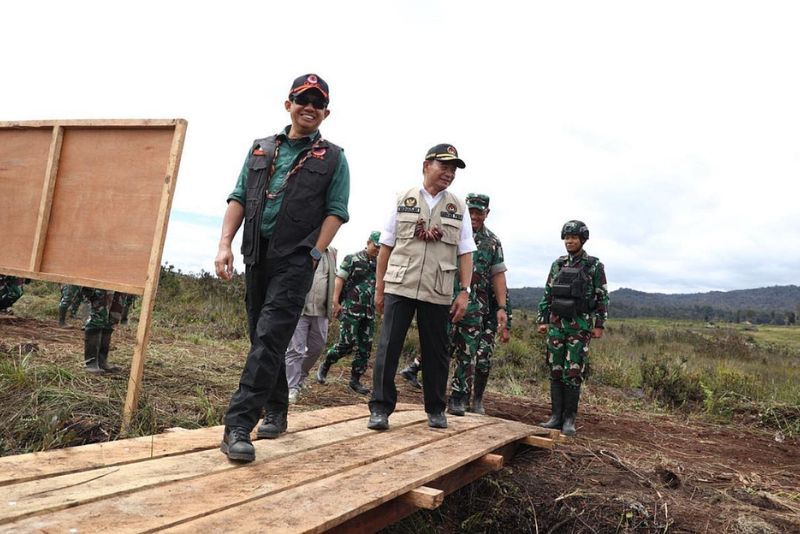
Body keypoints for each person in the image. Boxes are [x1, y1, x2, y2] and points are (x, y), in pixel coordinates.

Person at [214, 74, 349, 463]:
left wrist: (314, 253)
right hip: (257, 254)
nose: (309, 107)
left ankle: (238, 426)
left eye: (317, 103)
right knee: (261, 334)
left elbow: (336, 211)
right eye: (302, 99)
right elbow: (239, 196)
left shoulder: (334, 158)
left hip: (296, 260)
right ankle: (277, 409)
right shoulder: (261, 149)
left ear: (326, 112)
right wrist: (225, 244)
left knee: (271, 337)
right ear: (287, 104)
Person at [368, 144, 475, 431]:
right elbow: (386, 246)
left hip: (438, 287)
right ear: (427, 165)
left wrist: (464, 291)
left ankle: (436, 409)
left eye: (453, 169)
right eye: (445, 166)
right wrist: (380, 288)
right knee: (388, 346)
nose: (449, 173)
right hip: (400, 284)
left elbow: (466, 252)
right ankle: (379, 408)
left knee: (437, 351)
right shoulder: (403, 199)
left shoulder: (458, 207)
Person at [536, 220, 608, 436]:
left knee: (573, 371)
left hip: (580, 325)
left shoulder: (594, 266)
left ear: (582, 240)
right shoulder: (557, 265)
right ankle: (555, 417)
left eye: (574, 237)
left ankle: (569, 420)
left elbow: (602, 296)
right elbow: (548, 293)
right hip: (557, 325)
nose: (569, 241)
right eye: (567, 237)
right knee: (556, 369)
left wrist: (599, 325)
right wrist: (543, 319)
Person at [444, 193, 508, 416]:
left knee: (467, 351)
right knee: (441, 348)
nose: (473, 216)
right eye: (470, 210)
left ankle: (459, 397)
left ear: (486, 213)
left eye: (478, 212)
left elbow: (498, 275)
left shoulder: (492, 242)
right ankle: (434, 394)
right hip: (444, 299)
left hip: (475, 306)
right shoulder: (451, 231)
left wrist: (501, 307)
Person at [316, 231, 380, 395]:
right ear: (368, 242)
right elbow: (340, 280)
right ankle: (327, 364)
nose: (378, 250)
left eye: (381, 247)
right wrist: (335, 302)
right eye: (376, 246)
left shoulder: (381, 265)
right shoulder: (353, 259)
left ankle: (355, 380)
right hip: (351, 309)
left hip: (369, 312)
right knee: (346, 343)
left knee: (365, 348)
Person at [284, 245, 337, 404]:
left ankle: (299, 378)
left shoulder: (332, 252)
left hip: (321, 310)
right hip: (300, 309)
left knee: (317, 347)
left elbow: (332, 280)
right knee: (295, 349)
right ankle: (291, 386)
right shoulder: (301, 247)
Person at [81, 288, 125, 374]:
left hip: (119, 283)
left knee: (111, 320)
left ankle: (102, 361)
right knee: (97, 319)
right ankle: (91, 362)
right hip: (101, 284)